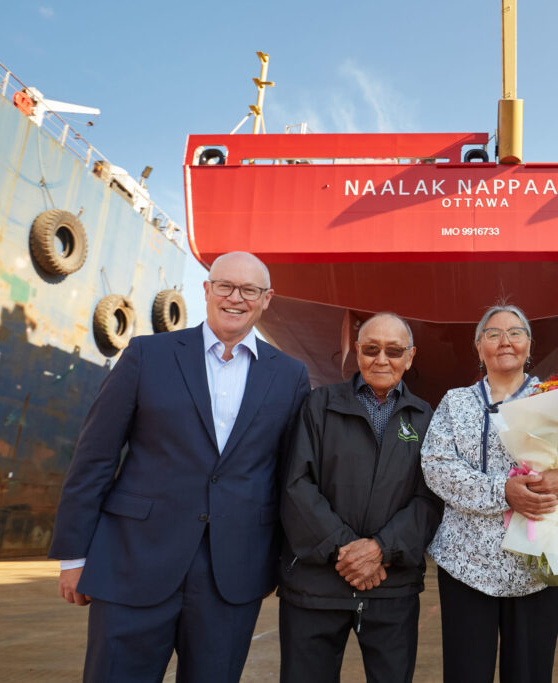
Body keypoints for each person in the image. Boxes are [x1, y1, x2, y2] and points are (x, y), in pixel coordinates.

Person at [48, 251, 309, 682]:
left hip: (232, 574)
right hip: (132, 561)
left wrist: (278, 563)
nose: (235, 298)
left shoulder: (291, 375)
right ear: (206, 290)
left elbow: (286, 476)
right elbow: (95, 457)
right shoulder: (146, 354)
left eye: (250, 290)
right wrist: (72, 556)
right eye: (225, 285)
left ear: (267, 299)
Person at [420, 304, 558, 683]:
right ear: (478, 346)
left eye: (515, 332)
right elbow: (437, 468)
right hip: (465, 566)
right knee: (465, 673)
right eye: (493, 333)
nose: (505, 340)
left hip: (536, 566)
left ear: (529, 344)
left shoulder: (557, 397)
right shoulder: (455, 403)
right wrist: (503, 492)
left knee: (530, 674)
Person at [277, 312, 441, 682]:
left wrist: (381, 549)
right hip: (316, 588)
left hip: (391, 588)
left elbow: (429, 499)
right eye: (371, 349)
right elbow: (296, 484)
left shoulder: (425, 418)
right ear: (356, 351)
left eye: (394, 351)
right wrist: (347, 551)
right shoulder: (318, 405)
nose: (382, 359)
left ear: (410, 356)